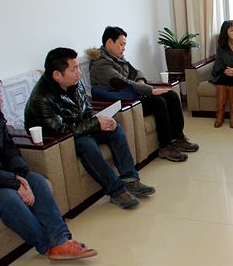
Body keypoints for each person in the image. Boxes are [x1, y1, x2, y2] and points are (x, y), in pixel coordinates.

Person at [0, 70, 97, 260]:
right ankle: (47, 245)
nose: (1, 101)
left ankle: (61, 240)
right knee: (9, 199)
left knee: (36, 181)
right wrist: (14, 182)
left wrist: (21, 175)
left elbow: (9, 148)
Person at [25, 47, 155, 210]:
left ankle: (130, 180)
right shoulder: (42, 98)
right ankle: (116, 191)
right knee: (86, 144)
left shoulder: (74, 83)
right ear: (57, 75)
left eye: (78, 67)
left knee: (115, 129)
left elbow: (86, 110)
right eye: (74, 69)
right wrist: (95, 123)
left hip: (80, 128)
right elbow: (61, 130)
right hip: (58, 142)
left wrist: (102, 119)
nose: (79, 73)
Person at [89, 26, 199, 162]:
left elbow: (136, 72)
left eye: (125, 45)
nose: (124, 48)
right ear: (109, 42)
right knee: (158, 102)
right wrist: (150, 90)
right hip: (121, 103)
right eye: (121, 44)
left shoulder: (117, 58)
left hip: (132, 96)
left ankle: (178, 138)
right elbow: (122, 82)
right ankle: (165, 146)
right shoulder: (101, 64)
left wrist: (141, 80)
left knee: (171, 96)